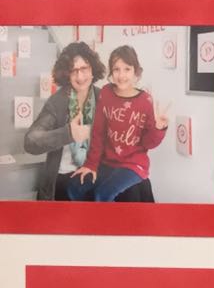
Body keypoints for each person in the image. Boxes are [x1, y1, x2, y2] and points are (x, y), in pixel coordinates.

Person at [69, 45, 167, 202]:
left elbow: (148, 143)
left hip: (133, 165)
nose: (121, 75)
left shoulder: (146, 101)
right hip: (108, 162)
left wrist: (158, 128)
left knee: (103, 194)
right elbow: (98, 133)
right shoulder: (106, 93)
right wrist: (91, 164)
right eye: (116, 69)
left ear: (135, 72)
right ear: (111, 72)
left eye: (127, 69)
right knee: (74, 188)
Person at [23, 42, 105, 201]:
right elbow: (30, 141)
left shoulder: (103, 97)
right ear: (67, 74)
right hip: (64, 178)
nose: (80, 77)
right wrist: (68, 134)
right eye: (74, 71)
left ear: (93, 70)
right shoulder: (58, 102)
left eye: (84, 69)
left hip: (95, 174)